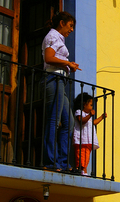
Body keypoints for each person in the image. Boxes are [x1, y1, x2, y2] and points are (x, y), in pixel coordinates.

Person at [42, 11, 81, 171]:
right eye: (70, 26)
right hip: (53, 79)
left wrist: (67, 64)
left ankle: (63, 162)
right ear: (62, 23)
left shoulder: (59, 39)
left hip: (60, 81)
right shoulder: (52, 36)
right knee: (53, 120)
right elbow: (48, 58)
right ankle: (50, 162)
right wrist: (68, 64)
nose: (71, 29)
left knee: (69, 122)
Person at [73, 92, 107, 176]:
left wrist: (101, 117)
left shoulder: (88, 116)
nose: (92, 107)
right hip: (80, 140)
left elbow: (94, 123)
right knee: (80, 156)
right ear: (84, 104)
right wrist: (90, 115)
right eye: (91, 105)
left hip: (88, 141)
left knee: (86, 157)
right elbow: (82, 121)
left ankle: (84, 170)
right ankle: (80, 170)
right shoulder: (79, 112)